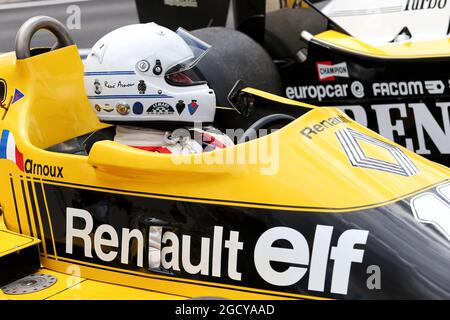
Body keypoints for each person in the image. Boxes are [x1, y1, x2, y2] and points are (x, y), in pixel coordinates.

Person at [84, 22, 233, 154]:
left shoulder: (198, 140)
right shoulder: (176, 160)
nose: (187, 80)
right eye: (174, 75)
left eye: (182, 73)